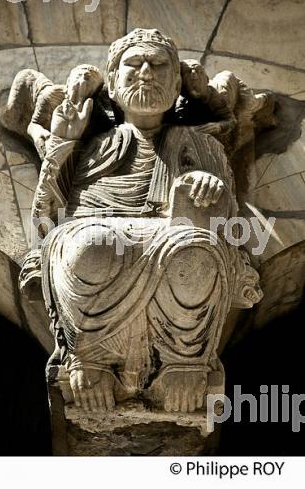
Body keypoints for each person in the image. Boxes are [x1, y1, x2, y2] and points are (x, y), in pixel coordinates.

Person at [26, 28, 262, 413]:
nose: (146, 73)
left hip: (173, 243)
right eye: (133, 65)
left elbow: (228, 225)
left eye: (159, 65)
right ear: (114, 87)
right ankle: (90, 359)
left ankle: (184, 362)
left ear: (176, 85)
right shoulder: (94, 144)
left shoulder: (201, 143)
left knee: (197, 254)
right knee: (89, 245)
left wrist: (209, 190)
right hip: (99, 240)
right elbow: (44, 222)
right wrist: (62, 144)